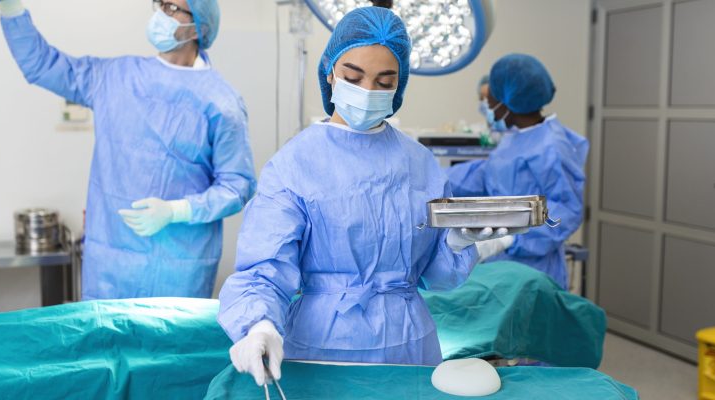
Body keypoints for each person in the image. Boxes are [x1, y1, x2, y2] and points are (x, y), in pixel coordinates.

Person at [216, 7, 521, 386]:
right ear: (330, 72)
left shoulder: (419, 163)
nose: (367, 91)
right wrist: (259, 324)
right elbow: (264, 268)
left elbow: (437, 276)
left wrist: (457, 242)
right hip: (322, 349)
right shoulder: (295, 164)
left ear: (399, 85)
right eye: (353, 77)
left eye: (384, 81)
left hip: (410, 345)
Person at [0, 0, 256, 299]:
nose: (160, 14)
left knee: (168, 332)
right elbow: (42, 65)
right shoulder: (115, 77)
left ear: (198, 26)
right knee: (105, 330)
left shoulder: (221, 103)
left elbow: (237, 186)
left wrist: (177, 210)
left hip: (178, 272)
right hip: (109, 269)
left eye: (171, 8)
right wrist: (10, 8)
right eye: (159, 4)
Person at [447, 54, 589, 289]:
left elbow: (566, 210)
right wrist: (429, 175)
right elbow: (484, 175)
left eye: (490, 99)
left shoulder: (551, 146)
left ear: (507, 101)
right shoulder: (515, 139)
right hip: (503, 267)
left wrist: (512, 238)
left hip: (534, 271)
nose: (487, 106)